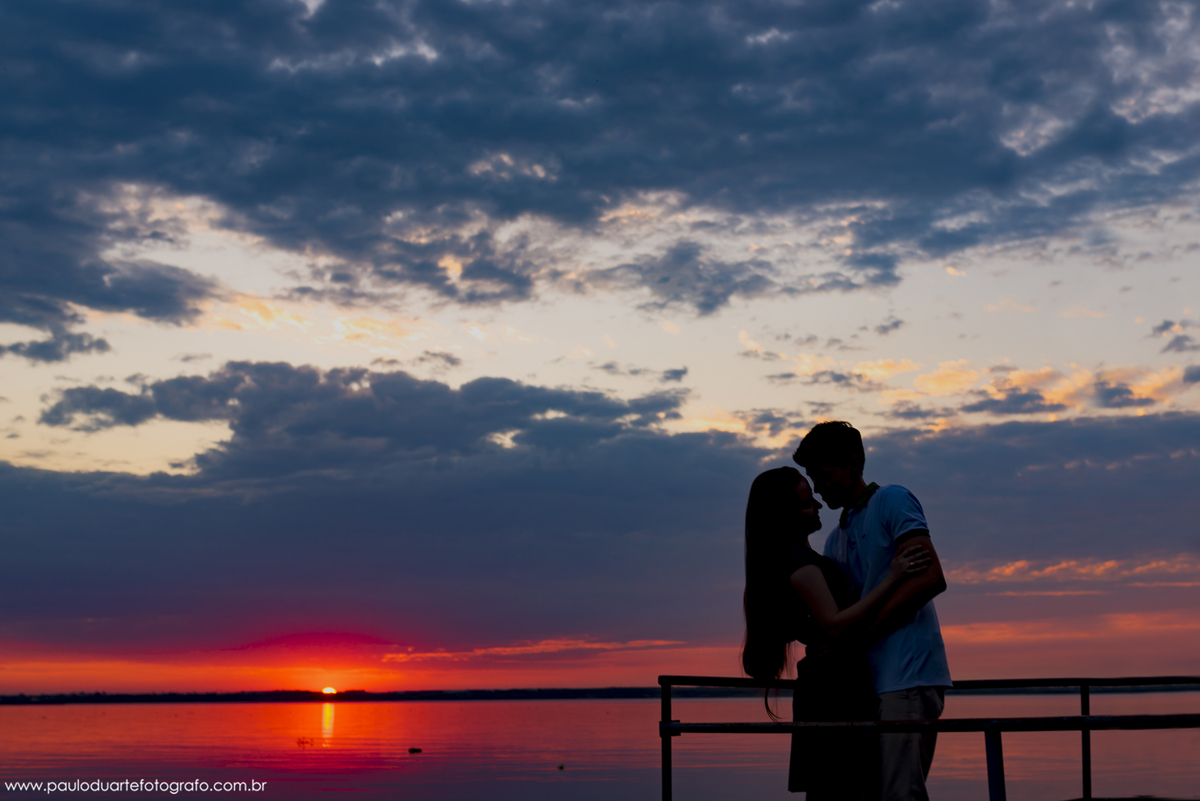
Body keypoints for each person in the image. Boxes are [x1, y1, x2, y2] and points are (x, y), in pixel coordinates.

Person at [741, 466, 931, 800]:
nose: (817, 504)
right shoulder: (800, 565)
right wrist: (894, 576)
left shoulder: (795, 560)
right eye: (806, 502)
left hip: (832, 687)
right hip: (834, 691)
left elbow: (820, 624)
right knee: (842, 785)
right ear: (786, 514)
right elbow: (835, 622)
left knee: (838, 788)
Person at [793, 422, 952, 801]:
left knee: (901, 794)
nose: (818, 487)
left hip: (907, 676)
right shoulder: (835, 538)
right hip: (865, 684)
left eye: (824, 475)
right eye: (812, 478)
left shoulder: (892, 500)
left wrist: (855, 639)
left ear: (853, 463)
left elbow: (931, 578)